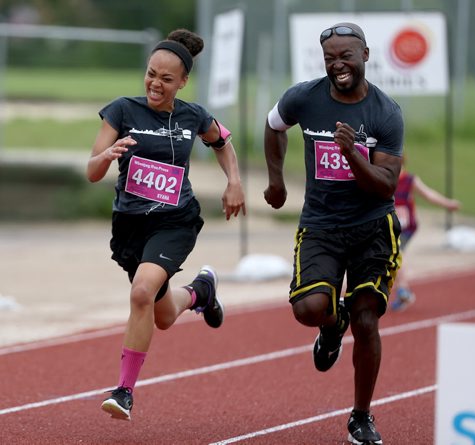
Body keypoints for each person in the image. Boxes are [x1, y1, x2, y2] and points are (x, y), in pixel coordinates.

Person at [86, 28, 246, 421]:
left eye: (167, 78)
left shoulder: (194, 116)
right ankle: (200, 293)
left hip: (175, 221)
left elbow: (222, 142)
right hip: (129, 226)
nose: (156, 84)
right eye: (151, 74)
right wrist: (107, 154)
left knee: (141, 293)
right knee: (162, 315)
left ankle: (123, 392)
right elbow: (92, 171)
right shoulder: (122, 110)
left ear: (183, 82)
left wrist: (234, 182)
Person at [264, 23, 404, 444]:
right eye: (330, 58)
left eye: (346, 56)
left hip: (372, 227)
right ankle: (331, 322)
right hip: (321, 225)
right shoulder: (303, 97)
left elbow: (385, 183)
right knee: (308, 309)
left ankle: (361, 417)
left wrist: (352, 155)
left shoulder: (385, 112)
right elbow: (273, 126)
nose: (337, 65)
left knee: (366, 319)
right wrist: (276, 181)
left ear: (365, 55)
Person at [391, 161, 461, 310]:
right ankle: (402, 291)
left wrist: (448, 204)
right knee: (391, 257)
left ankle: (403, 290)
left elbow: (429, 195)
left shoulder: (410, 180)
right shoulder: (384, 178)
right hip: (389, 226)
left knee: (396, 252)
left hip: (406, 228)